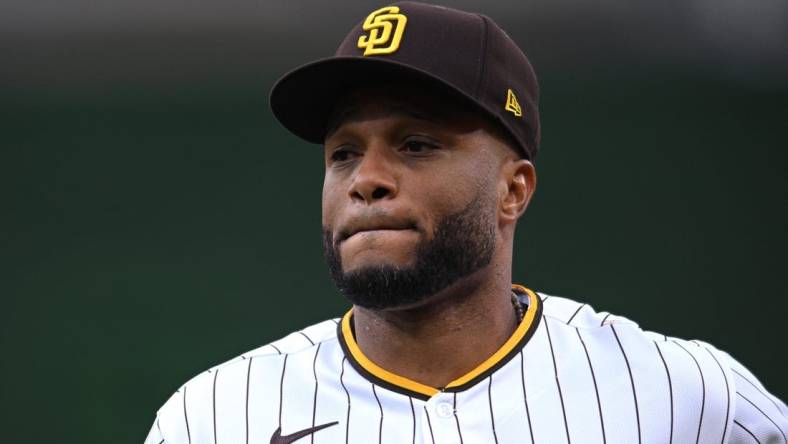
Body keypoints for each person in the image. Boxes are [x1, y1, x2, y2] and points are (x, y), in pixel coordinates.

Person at [144, 2, 786, 443]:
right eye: (343, 153)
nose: (366, 178)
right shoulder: (218, 417)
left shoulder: (679, 395)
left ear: (514, 191)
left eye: (416, 144)